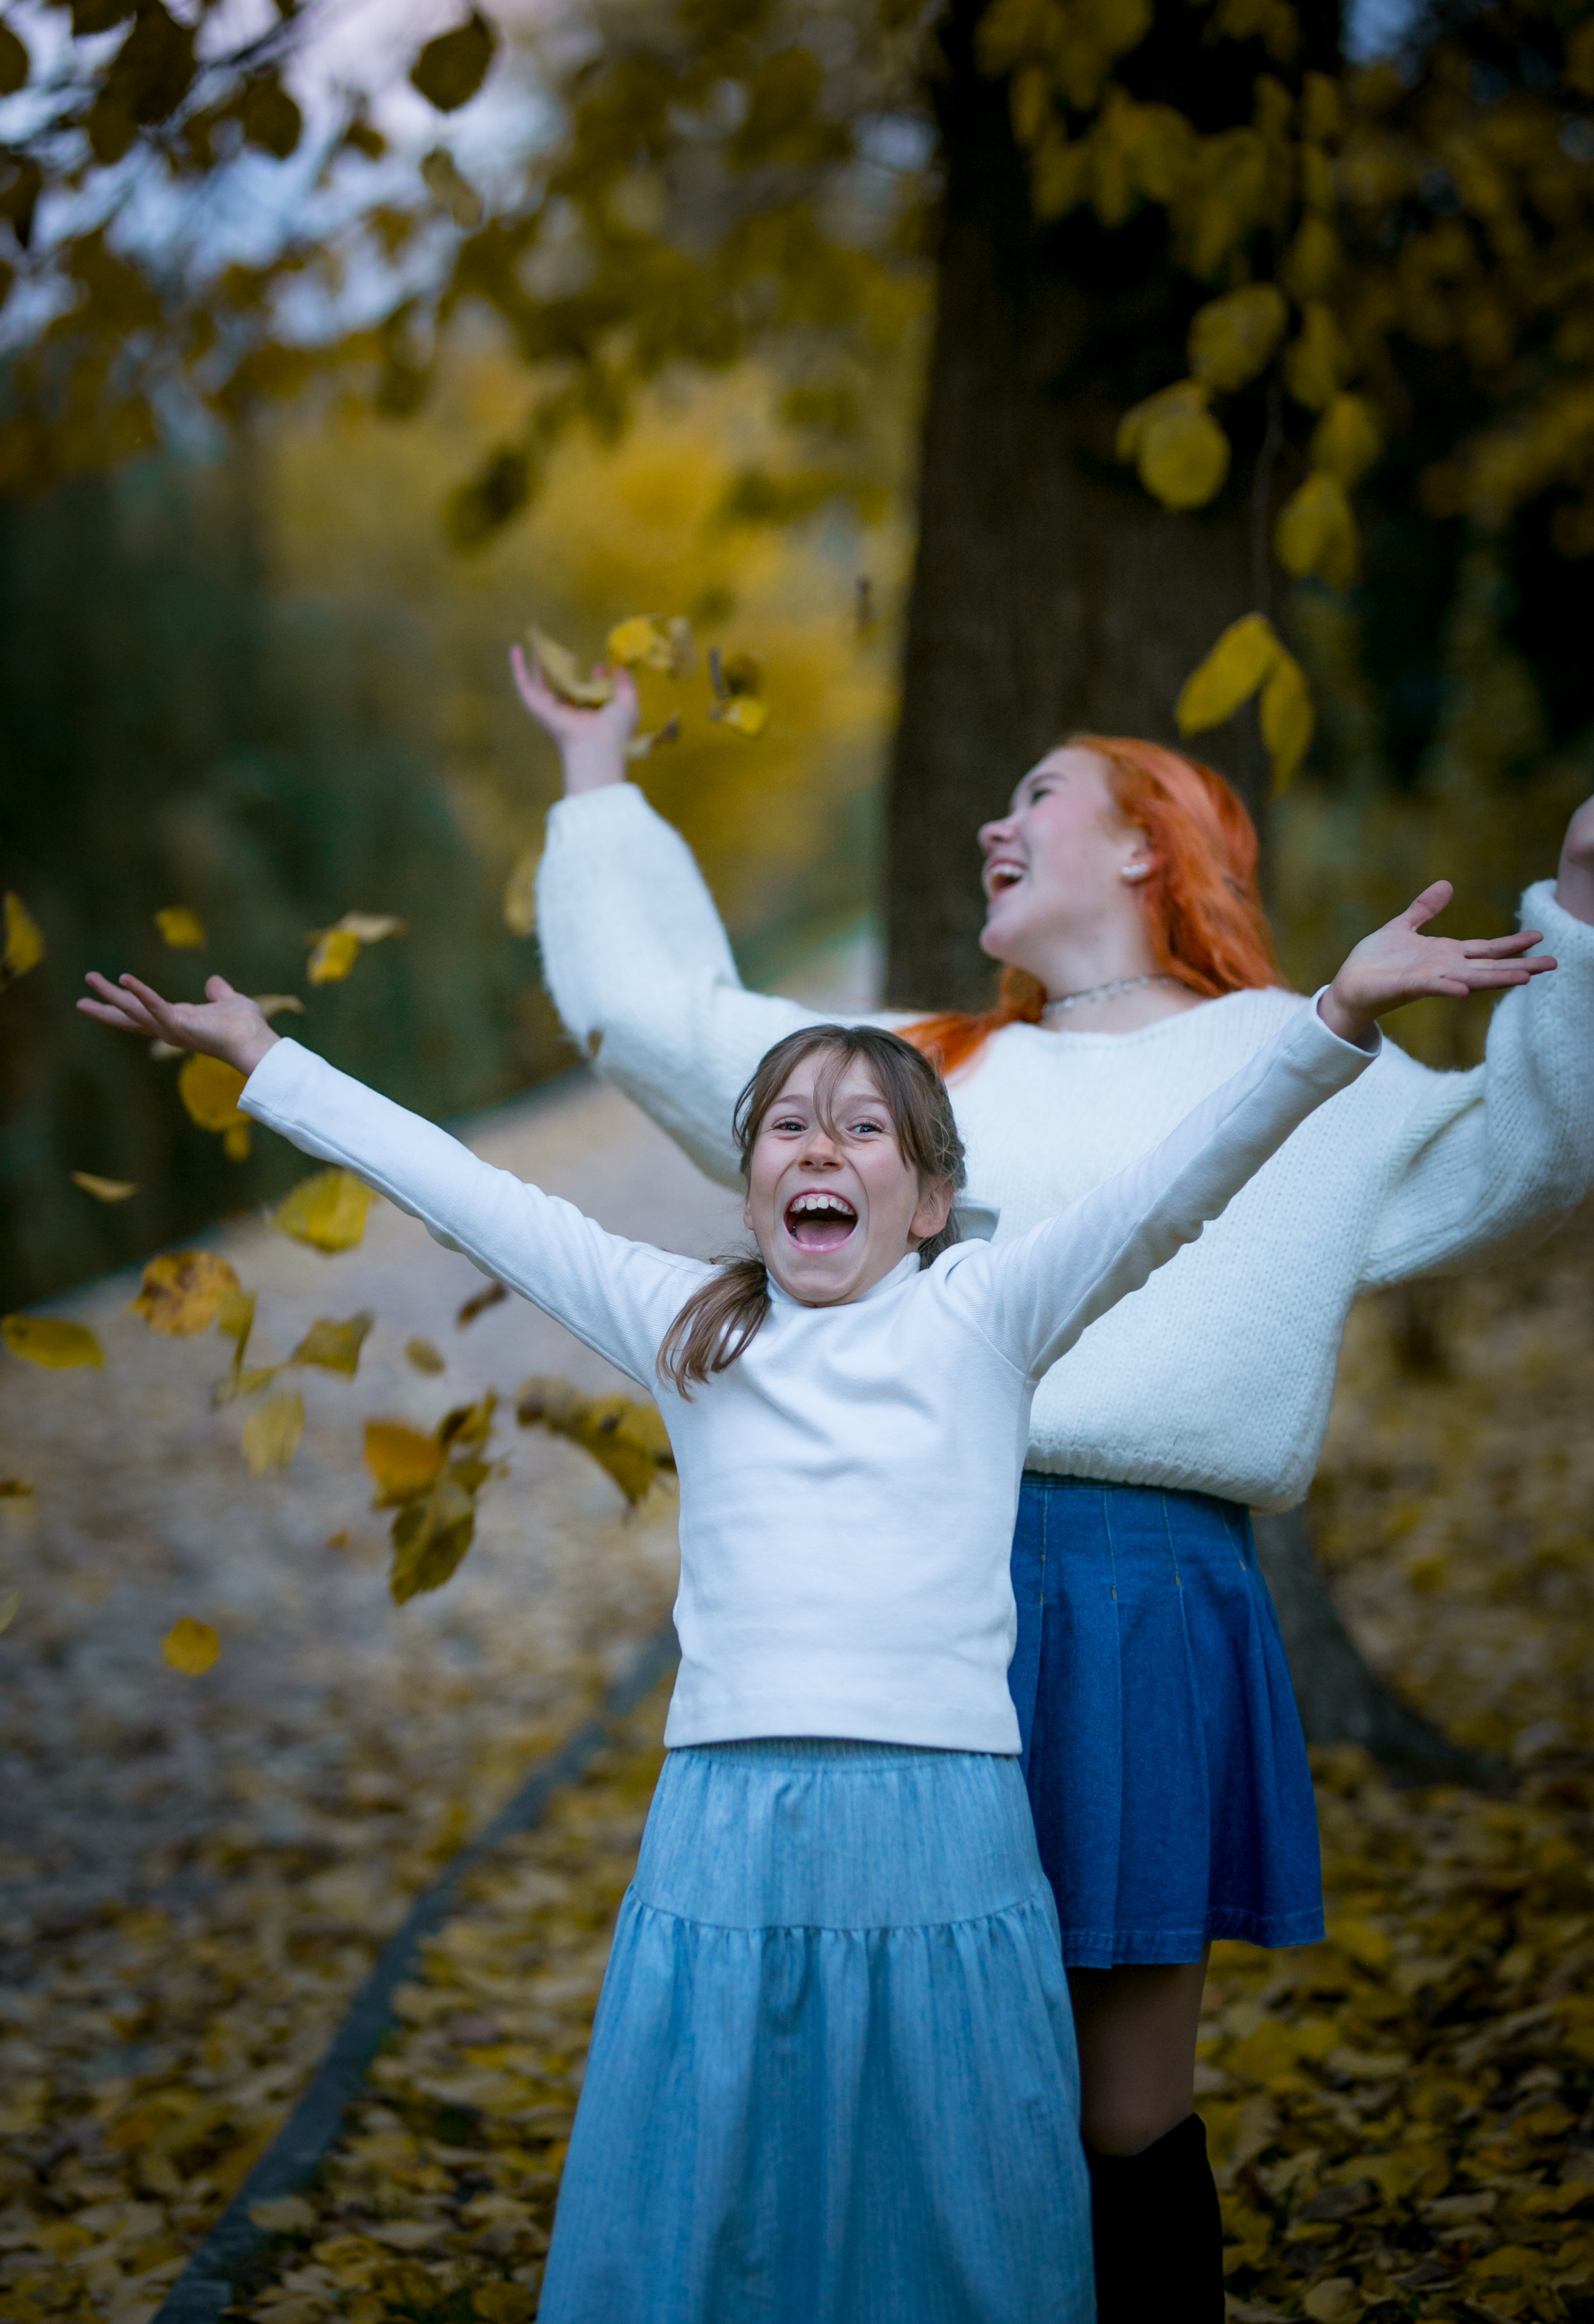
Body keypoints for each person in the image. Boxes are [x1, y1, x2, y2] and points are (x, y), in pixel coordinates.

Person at [77, 892, 1542, 2324]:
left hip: (943, 1827)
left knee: (958, 2180)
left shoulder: (988, 1314)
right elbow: (473, 1196)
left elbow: (1183, 1178)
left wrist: (1336, 1014)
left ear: (923, 1201)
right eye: (786, 1125)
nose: (818, 1147)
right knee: (715, 2168)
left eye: (862, 1128)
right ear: (752, 1186)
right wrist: (270, 1067)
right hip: (725, 1822)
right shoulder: (684, 1326)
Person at [515, 649, 1594, 2319]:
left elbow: (1533, 1150)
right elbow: (649, 1021)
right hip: (897, 1601)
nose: (989, 827)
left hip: (1139, 1608)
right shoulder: (914, 1072)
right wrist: (597, 784)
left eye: (1036, 794)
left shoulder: (1299, 1059)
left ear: (1154, 840)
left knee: (1114, 2110)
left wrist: (1580, 918)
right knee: (907, 2089)